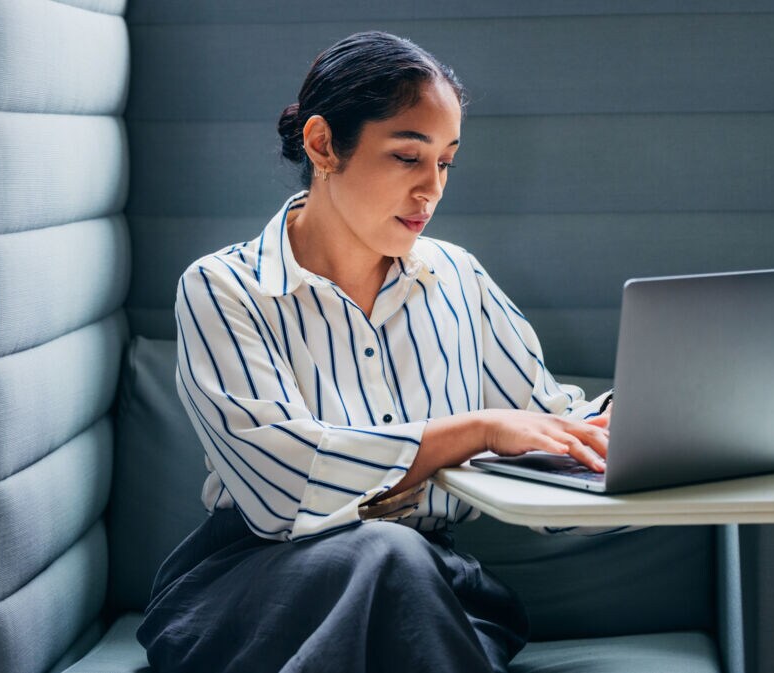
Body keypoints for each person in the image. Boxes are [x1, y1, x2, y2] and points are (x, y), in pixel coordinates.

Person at [137, 31, 615, 673]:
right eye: (406, 157)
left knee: (401, 565)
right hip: (253, 588)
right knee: (388, 557)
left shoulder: (458, 278)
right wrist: (475, 430)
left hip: (433, 588)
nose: (432, 190)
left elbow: (547, 428)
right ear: (323, 145)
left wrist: (635, 428)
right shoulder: (224, 289)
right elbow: (286, 489)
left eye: (445, 162)